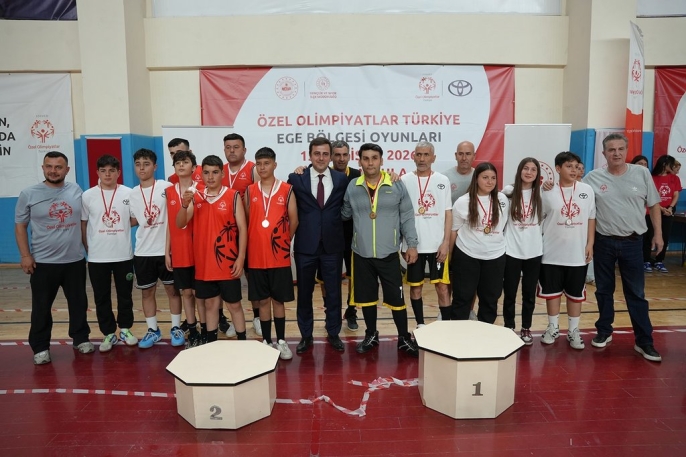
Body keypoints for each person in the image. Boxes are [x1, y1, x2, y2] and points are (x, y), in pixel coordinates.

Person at [583, 133, 663, 362]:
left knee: (636, 293)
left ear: (626, 151)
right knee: (603, 290)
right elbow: (574, 194)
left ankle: (644, 341)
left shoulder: (641, 173)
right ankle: (604, 331)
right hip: (604, 242)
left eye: (620, 149)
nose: (616, 153)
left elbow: (654, 205)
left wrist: (658, 234)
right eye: (611, 149)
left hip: (633, 243)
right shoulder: (592, 178)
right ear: (604, 153)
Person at [15, 151, 93, 364]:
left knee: (78, 304)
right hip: (43, 263)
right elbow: (20, 226)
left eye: (58, 167)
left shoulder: (76, 190)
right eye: (49, 166)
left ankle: (80, 338)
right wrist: (25, 255)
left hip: (74, 261)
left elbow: (85, 222)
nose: (53, 171)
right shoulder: (28, 194)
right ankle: (40, 347)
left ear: (67, 170)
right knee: (41, 307)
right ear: (43, 168)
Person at [341, 143, 419, 357]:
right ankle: (371, 334)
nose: (370, 163)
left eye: (374, 158)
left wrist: (411, 244)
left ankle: (404, 337)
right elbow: (345, 213)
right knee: (366, 299)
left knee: (397, 299)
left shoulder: (396, 184)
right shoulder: (353, 186)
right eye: (365, 158)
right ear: (360, 161)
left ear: (381, 161)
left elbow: (407, 216)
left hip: (389, 254)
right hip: (362, 253)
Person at [177, 155, 247, 344]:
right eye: (206, 172)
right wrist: (184, 205)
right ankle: (211, 343)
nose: (210, 176)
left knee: (234, 305)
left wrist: (241, 258)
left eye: (215, 172)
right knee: (210, 304)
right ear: (201, 175)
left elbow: (242, 228)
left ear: (222, 174)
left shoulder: (233, 195)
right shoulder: (196, 196)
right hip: (204, 263)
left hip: (227, 262)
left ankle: (243, 344)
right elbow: (180, 223)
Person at [289, 138, 347, 353]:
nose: (321, 158)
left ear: (330, 156)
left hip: (333, 245)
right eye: (317, 153)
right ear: (310, 155)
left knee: (333, 293)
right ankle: (306, 335)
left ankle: (333, 332)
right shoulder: (296, 178)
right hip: (306, 245)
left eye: (325, 154)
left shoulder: (341, 179)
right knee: (304, 293)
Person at [245, 147, 299, 359]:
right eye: (259, 164)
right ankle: (267, 341)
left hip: (279, 257)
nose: (262, 167)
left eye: (266, 163)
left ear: (274, 165)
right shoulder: (250, 191)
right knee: (263, 301)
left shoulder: (287, 189)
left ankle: (282, 341)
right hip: (256, 257)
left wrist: (284, 241)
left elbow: (294, 220)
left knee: (278, 301)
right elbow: (247, 221)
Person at [538, 152, 595, 350]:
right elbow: (539, 218)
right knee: (552, 293)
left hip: (577, 253)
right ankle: (553, 327)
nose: (573, 170)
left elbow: (591, 217)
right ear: (558, 168)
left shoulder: (587, 190)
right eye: (569, 166)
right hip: (551, 252)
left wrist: (590, 243)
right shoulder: (546, 191)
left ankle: (573, 330)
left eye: (576, 166)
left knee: (575, 294)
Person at [128, 148, 185, 348]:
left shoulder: (166, 187)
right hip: (143, 251)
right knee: (147, 293)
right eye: (138, 164)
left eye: (146, 164)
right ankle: (153, 330)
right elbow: (134, 220)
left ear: (155, 166)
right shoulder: (132, 194)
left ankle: (176, 327)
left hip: (166, 250)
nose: (142, 168)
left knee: (173, 291)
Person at [81, 154, 137, 352]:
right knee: (101, 297)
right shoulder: (87, 196)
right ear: (97, 172)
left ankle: (126, 329)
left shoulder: (129, 193)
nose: (107, 174)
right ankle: (108, 333)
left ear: (118, 173)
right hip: (97, 257)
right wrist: (88, 247)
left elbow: (135, 218)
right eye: (103, 171)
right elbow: (84, 223)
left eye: (112, 171)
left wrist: (119, 225)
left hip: (123, 255)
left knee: (125, 295)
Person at [449, 162, 509, 323]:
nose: (490, 181)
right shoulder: (463, 201)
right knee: (462, 298)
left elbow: (503, 225)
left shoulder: (502, 199)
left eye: (493, 178)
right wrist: (450, 257)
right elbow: (454, 230)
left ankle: (485, 334)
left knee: (490, 299)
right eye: (485, 177)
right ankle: (458, 334)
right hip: (467, 255)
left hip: (495, 256)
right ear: (476, 179)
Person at [400, 141, 452, 325]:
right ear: (413, 157)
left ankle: (445, 324)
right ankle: (420, 324)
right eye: (419, 154)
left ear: (433, 158)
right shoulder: (404, 180)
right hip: (414, 246)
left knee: (443, 288)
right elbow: (399, 214)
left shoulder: (443, 180)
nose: (422, 159)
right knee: (416, 288)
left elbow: (448, 213)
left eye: (426, 155)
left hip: (437, 246)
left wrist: (446, 243)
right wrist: (404, 244)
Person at [221, 133, 261, 337]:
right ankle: (227, 320)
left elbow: (259, 200)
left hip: (248, 231)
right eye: (228, 147)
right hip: (224, 234)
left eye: (236, 147)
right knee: (223, 276)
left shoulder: (253, 169)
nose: (232, 151)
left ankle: (257, 317)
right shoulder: (219, 170)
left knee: (252, 275)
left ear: (244, 150)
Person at [166, 150, 206, 347]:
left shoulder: (203, 189)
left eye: (185, 162)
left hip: (199, 251)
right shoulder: (169, 191)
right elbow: (170, 224)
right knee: (187, 293)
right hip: (180, 251)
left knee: (200, 294)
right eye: (177, 162)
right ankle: (193, 329)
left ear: (194, 167)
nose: (181, 165)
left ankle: (206, 330)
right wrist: (167, 251)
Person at [502, 158, 543, 345]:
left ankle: (526, 327)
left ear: (537, 174)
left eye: (533, 169)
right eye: (526, 168)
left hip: (533, 251)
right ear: (519, 170)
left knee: (529, 294)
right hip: (511, 250)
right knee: (509, 293)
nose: (529, 172)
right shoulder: (508, 192)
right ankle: (509, 326)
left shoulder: (542, 193)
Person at [442, 140, 478, 320]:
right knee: (448, 275)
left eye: (468, 154)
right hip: (450, 234)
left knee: (471, 278)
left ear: (474, 156)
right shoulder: (445, 178)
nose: (464, 158)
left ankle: (469, 310)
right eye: (461, 154)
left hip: (474, 237)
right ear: (456, 155)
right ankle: (446, 310)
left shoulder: (480, 176)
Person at [643, 155, 681, 273]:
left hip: (668, 211)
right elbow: (650, 197)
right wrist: (660, 208)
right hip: (653, 210)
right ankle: (646, 260)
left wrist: (670, 207)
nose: (673, 167)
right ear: (664, 164)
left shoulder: (674, 178)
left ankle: (659, 260)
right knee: (649, 235)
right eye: (671, 164)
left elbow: (676, 194)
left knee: (665, 235)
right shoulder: (652, 178)